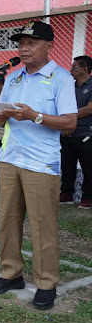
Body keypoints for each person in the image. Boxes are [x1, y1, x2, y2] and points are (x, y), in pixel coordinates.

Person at [0, 21, 77, 311]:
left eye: (31, 43)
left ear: (49, 46)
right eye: (21, 43)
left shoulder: (61, 78)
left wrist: (35, 116)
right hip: (11, 157)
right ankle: (11, 273)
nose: (23, 48)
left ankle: (46, 282)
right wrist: (2, 117)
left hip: (41, 161)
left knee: (42, 225)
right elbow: (12, 113)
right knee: (7, 220)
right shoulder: (13, 78)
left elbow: (69, 122)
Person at [60, 55, 92, 209]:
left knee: (88, 167)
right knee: (67, 165)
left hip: (86, 132)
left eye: (74, 67)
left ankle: (88, 197)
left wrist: (69, 117)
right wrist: (65, 124)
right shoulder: (69, 87)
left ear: (85, 69)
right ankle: (66, 193)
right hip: (67, 132)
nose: (70, 70)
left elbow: (90, 108)